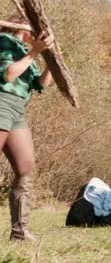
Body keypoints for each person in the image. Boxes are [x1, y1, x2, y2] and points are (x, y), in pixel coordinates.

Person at [0, 13, 54, 241]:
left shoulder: (25, 52)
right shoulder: (4, 40)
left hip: (17, 111)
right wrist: (34, 52)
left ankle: (20, 231)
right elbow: (8, 74)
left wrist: (52, 59)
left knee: (25, 169)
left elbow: (40, 84)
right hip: (1, 102)